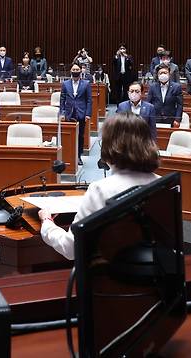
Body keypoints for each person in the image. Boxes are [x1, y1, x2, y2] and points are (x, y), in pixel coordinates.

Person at [38, 112, 160, 260]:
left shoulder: (100, 190)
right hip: (158, 275)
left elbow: (71, 248)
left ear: (110, 145)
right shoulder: (163, 185)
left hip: (113, 278)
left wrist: (47, 223)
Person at [60, 63, 92, 165]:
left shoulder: (86, 84)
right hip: (69, 113)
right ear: (70, 71)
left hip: (81, 113)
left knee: (80, 136)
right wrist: (62, 112)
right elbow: (62, 99)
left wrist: (88, 114)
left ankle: (78, 156)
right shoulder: (65, 84)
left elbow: (89, 100)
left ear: (80, 71)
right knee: (69, 135)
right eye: (73, 69)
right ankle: (69, 156)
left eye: (77, 69)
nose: (75, 71)